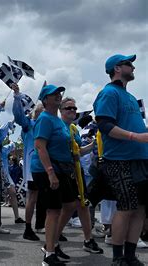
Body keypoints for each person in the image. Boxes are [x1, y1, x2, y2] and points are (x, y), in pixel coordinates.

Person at [93, 54, 148, 265]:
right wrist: (136, 136)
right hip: (119, 159)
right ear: (117, 68)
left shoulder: (131, 97)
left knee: (140, 208)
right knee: (125, 207)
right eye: (128, 64)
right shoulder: (108, 93)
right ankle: (117, 258)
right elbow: (105, 125)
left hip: (140, 159)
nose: (133, 67)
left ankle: (130, 255)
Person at [31, 84, 75, 265]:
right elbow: (40, 146)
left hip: (62, 169)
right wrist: (50, 173)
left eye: (59, 93)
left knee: (70, 205)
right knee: (54, 210)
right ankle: (49, 255)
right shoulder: (45, 119)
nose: (58, 95)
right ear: (45, 99)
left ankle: (53, 244)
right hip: (46, 170)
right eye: (53, 94)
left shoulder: (58, 120)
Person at [55, 97, 103, 256]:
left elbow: (79, 151)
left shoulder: (74, 129)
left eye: (74, 108)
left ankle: (88, 240)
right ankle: (52, 242)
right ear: (61, 110)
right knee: (68, 208)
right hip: (62, 171)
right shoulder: (57, 126)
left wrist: (93, 144)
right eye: (69, 108)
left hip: (76, 171)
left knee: (83, 204)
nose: (73, 111)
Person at [12, 83, 46, 241]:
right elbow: (18, 116)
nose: (44, 115)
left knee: (44, 197)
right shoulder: (29, 126)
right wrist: (17, 95)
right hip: (33, 168)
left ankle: (41, 225)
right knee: (32, 196)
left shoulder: (48, 126)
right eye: (40, 112)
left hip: (47, 167)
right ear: (35, 114)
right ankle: (28, 228)